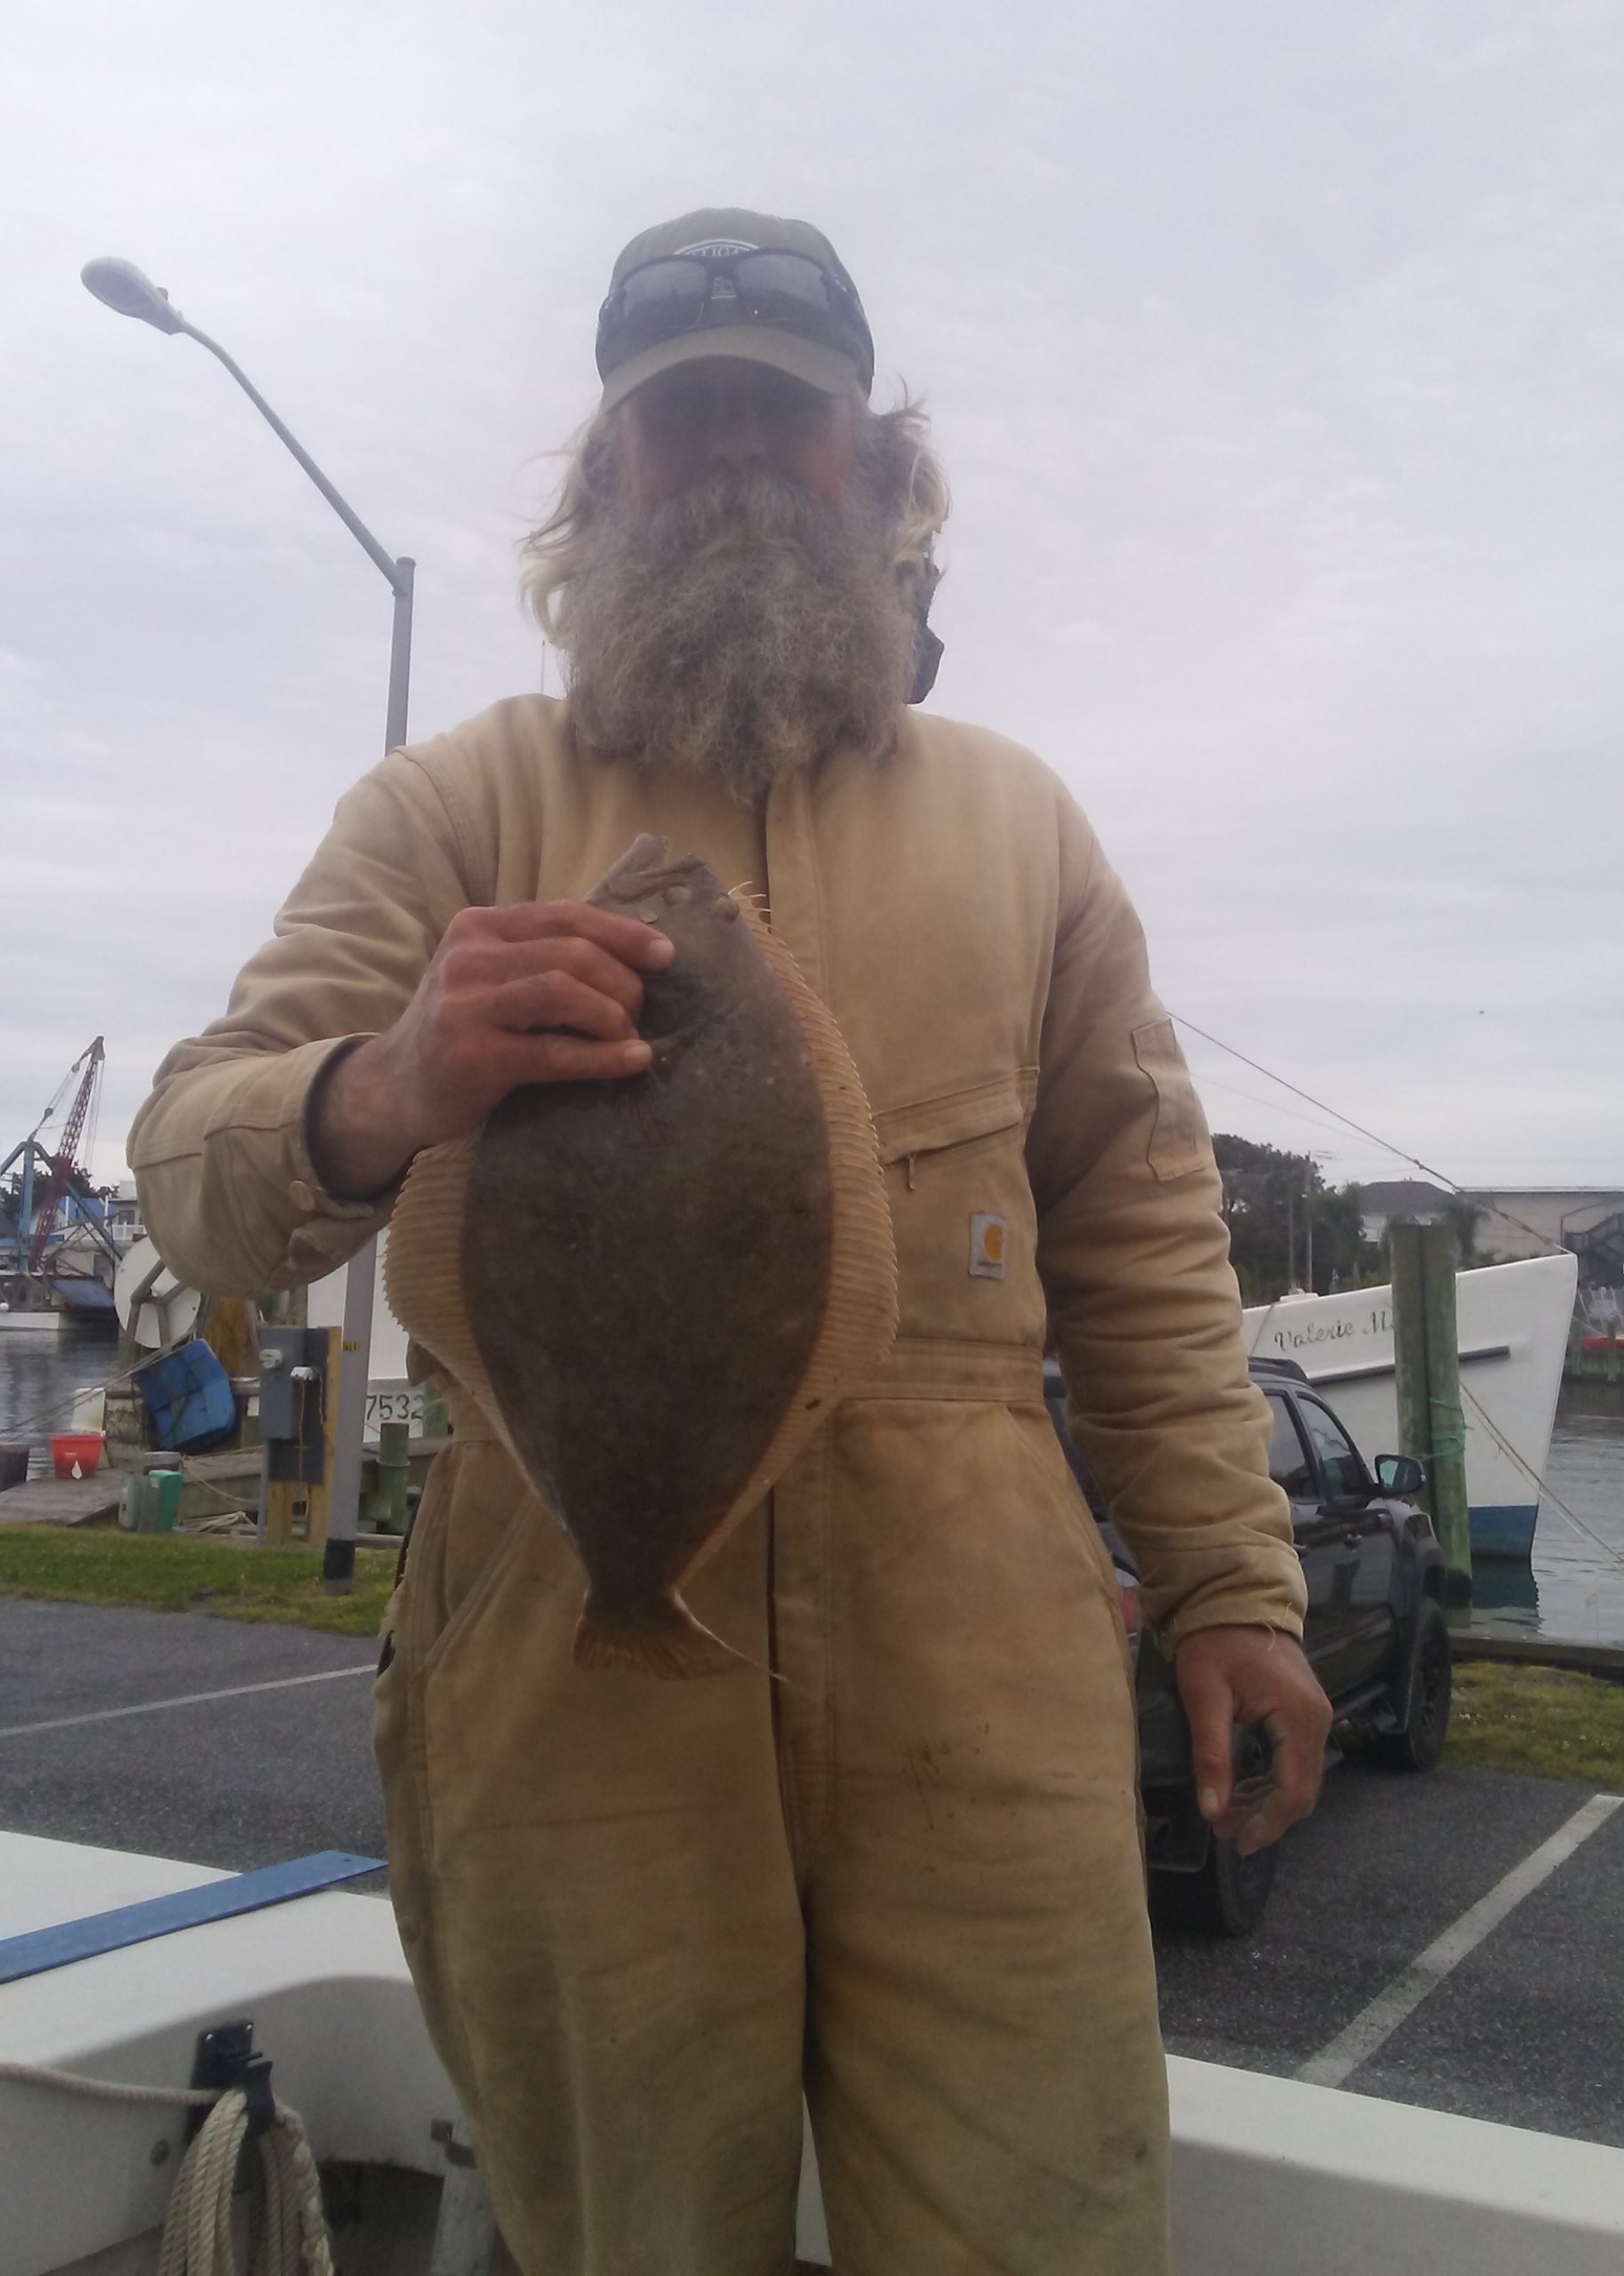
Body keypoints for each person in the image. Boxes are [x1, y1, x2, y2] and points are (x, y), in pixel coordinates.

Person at [131, 208, 1332, 2275]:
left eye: (784, 413)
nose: (736, 454)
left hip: (982, 1662)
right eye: (682, 417)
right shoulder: (454, 805)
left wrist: (1233, 1580)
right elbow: (188, 1165)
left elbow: (1143, 1237)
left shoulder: (1023, 824)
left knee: (1040, 2211)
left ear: (880, 466)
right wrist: (387, 1081)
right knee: (626, 2232)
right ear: (606, 473)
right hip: (559, 1643)